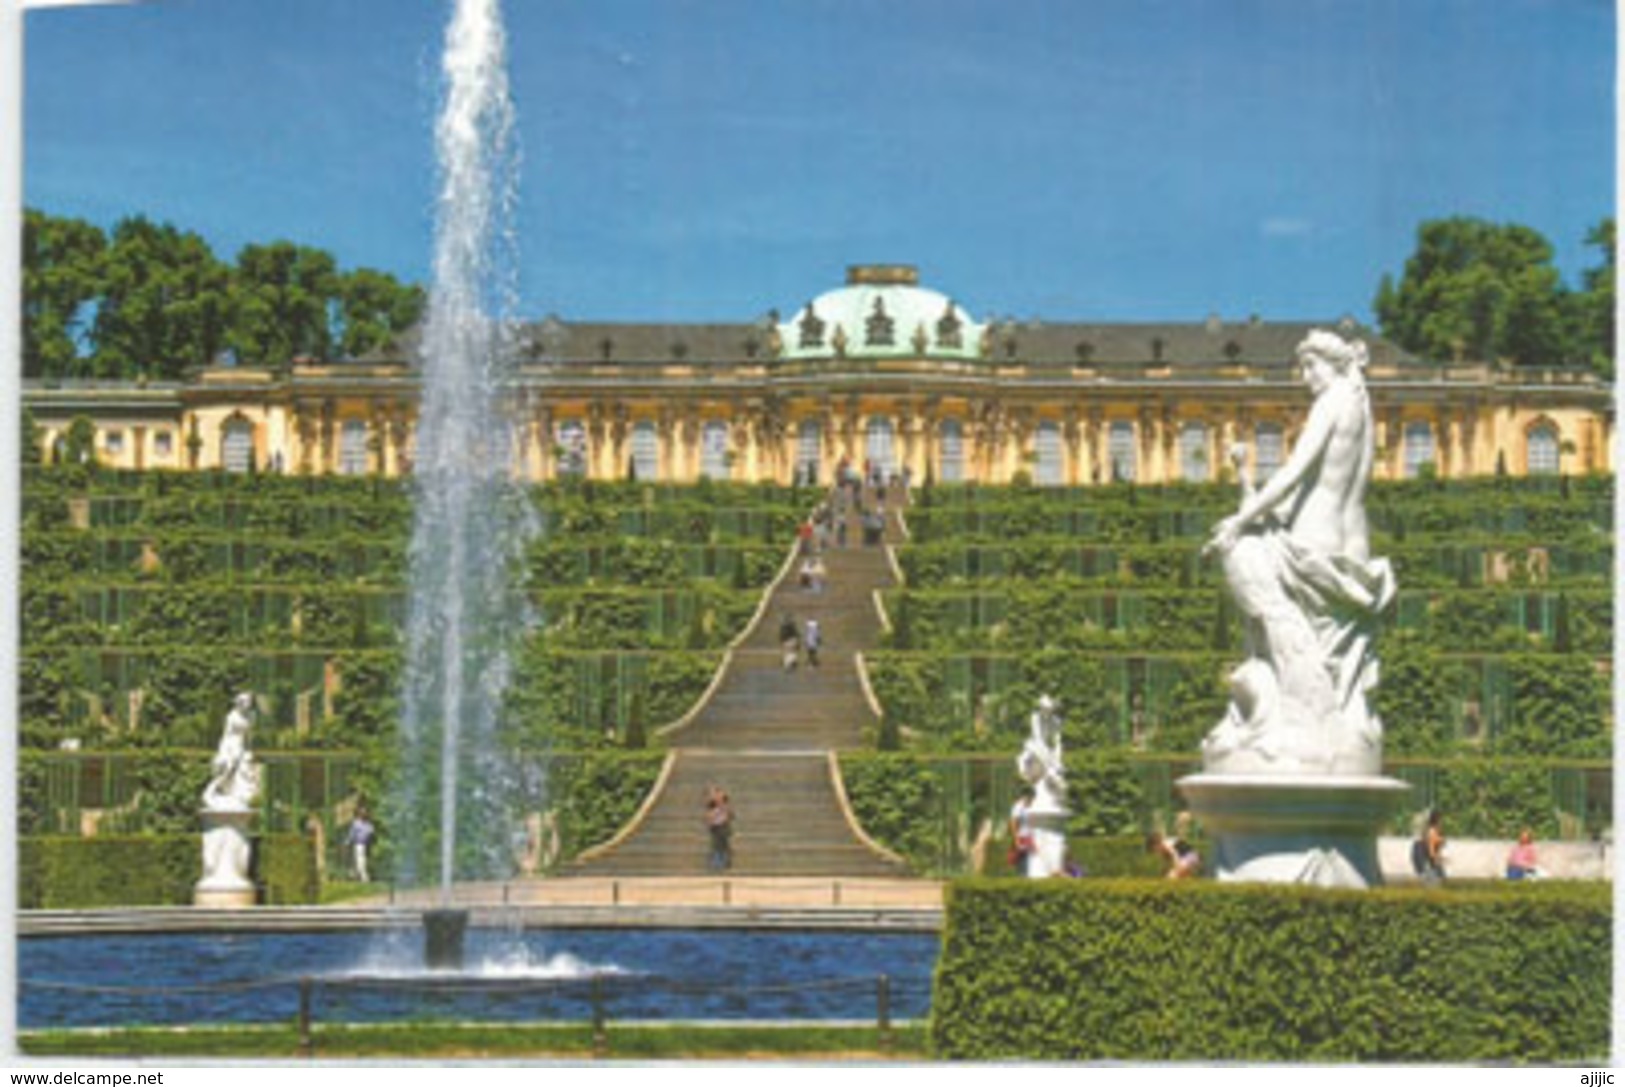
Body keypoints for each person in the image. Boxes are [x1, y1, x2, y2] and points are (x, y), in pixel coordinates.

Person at [1201, 330, 1397, 776]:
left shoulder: (1332, 402)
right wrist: (1246, 478)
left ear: (1334, 363)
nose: (1306, 377)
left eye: (1311, 366)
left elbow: (1295, 472)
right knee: (1331, 652)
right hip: (1352, 541)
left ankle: (1279, 713)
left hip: (1316, 538)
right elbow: (1316, 488)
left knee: (1246, 554)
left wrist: (1236, 520)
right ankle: (1324, 724)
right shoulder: (1362, 407)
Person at [202, 692, 260, 810]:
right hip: (231, 744)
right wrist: (222, 750)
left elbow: (249, 736)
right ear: (239, 703)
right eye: (245, 702)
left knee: (243, 768)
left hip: (242, 745)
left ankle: (236, 794)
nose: (248, 704)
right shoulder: (231, 716)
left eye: (249, 702)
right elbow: (226, 734)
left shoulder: (251, 716)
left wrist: (249, 748)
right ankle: (215, 788)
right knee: (229, 766)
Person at [1412, 808, 1447, 885]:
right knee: (1435, 880)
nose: (1442, 823)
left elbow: (1434, 852)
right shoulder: (1432, 833)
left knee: (1438, 878)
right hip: (1422, 859)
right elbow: (1432, 853)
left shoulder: (1432, 833)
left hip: (1423, 858)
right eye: (1440, 820)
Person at [705, 785, 734, 871]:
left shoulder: (725, 806)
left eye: (718, 796)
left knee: (723, 844)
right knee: (716, 844)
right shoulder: (711, 807)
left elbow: (730, 815)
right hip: (715, 827)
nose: (717, 798)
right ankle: (717, 861)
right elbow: (709, 817)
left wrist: (723, 809)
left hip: (723, 826)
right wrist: (710, 822)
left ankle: (724, 860)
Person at [1007, 787, 1035, 876]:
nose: (1031, 800)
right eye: (1030, 798)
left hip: (1030, 837)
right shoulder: (1018, 806)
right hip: (1022, 837)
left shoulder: (1031, 806)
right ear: (1025, 796)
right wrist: (1017, 840)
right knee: (1023, 864)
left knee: (1032, 863)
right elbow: (1013, 823)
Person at [345, 806, 376, 883]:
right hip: (358, 844)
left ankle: (358, 876)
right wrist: (348, 842)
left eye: (365, 813)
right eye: (362, 813)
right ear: (359, 814)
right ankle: (363, 877)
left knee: (362, 860)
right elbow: (352, 834)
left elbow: (371, 833)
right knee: (359, 860)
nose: (364, 814)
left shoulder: (368, 824)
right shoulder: (356, 823)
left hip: (366, 844)